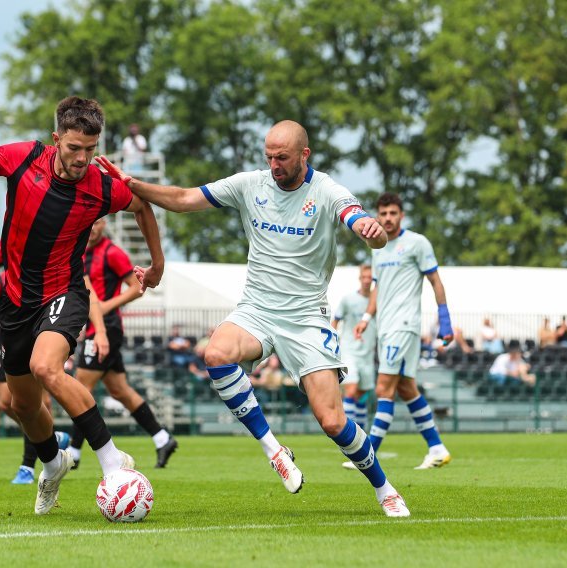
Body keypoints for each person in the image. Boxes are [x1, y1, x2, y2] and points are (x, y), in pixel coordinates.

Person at [97, 119, 410, 517]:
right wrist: (132, 184)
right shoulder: (250, 184)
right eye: (269, 157)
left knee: (333, 422)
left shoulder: (327, 191)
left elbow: (361, 222)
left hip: (305, 317)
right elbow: (183, 198)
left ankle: (385, 489)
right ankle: (274, 450)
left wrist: (371, 231)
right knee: (215, 353)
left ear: (304, 155)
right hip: (257, 309)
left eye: (283, 158)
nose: (274, 165)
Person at [0, 96, 164, 515]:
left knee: (46, 367)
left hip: (65, 292)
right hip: (15, 303)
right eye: (74, 148)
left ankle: (112, 462)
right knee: (20, 405)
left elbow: (142, 207)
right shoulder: (24, 157)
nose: (82, 158)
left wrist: (158, 263)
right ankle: (53, 463)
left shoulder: (101, 186)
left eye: (90, 150)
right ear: (56, 139)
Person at [352, 192, 453, 471]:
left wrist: (444, 319)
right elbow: (377, 287)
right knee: (407, 389)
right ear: (377, 215)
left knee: (384, 388)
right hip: (385, 328)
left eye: (393, 213)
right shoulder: (376, 247)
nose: (388, 218)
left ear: (401, 215)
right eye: (383, 213)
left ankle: (368, 454)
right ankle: (437, 448)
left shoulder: (417, 243)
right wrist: (366, 317)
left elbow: (435, 280)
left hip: (404, 326)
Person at [67, 217, 178, 470]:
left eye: (96, 223)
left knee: (80, 388)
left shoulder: (112, 253)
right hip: (96, 328)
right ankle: (163, 438)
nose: (92, 228)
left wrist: (105, 306)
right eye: (89, 223)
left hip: (106, 328)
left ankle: (73, 452)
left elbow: (136, 287)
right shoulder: (79, 251)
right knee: (119, 390)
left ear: (103, 224)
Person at [0, 249, 67, 481]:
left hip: (38, 340)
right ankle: (49, 439)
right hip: (5, 344)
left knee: (36, 402)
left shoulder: (43, 280)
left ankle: (28, 466)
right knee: (6, 403)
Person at [332, 265, 377, 431]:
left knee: (361, 396)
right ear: (359, 278)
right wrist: (332, 344)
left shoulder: (377, 302)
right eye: (364, 277)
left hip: (367, 354)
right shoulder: (348, 299)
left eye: (370, 278)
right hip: (349, 351)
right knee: (351, 391)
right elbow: (335, 321)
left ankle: (361, 434)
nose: (366, 281)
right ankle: (348, 433)